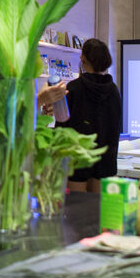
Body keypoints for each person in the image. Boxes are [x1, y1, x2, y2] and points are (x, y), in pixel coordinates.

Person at [55, 39, 122, 193]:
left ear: (83, 58)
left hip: (77, 159)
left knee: (78, 206)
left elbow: (62, 125)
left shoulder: (73, 88)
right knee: (98, 206)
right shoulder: (113, 90)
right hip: (105, 159)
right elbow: (115, 126)